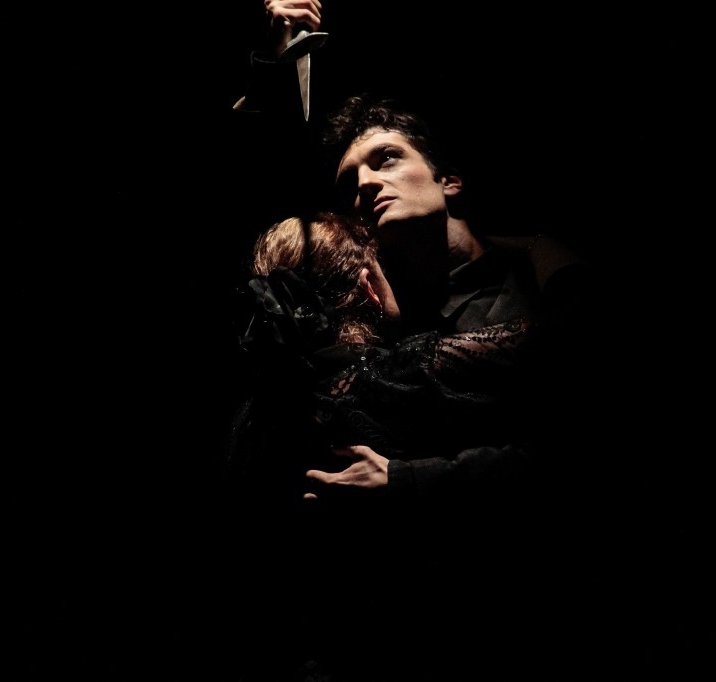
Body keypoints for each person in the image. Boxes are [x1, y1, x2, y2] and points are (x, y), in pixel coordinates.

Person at [224, 210, 580, 681]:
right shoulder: (398, 376)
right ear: (369, 286)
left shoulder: (250, 422)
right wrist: (538, 245)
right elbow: (577, 333)